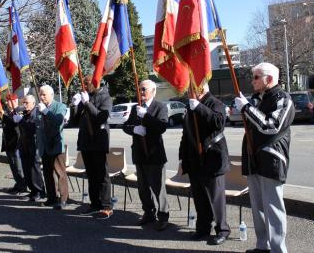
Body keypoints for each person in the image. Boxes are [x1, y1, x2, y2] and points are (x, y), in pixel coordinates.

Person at [234, 62, 295, 253]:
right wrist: (244, 108)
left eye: (256, 77)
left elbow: (271, 126)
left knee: (273, 208)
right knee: (258, 206)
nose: (252, 81)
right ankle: (263, 245)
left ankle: (278, 250)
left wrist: (247, 109)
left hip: (271, 159)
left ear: (268, 79)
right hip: (254, 159)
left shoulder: (283, 98)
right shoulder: (257, 98)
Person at [179, 83, 231, 246]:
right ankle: (202, 228)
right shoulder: (190, 106)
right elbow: (186, 134)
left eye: (190, 89)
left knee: (216, 199)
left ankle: (222, 229)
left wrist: (199, 107)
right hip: (194, 159)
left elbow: (218, 122)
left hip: (212, 158)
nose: (188, 92)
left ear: (200, 89)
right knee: (200, 198)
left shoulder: (216, 103)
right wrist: (182, 158)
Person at [123, 80, 169, 231]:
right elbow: (125, 126)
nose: (141, 92)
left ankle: (163, 216)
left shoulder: (159, 107)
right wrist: (134, 129)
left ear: (153, 91)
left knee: (158, 187)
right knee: (143, 188)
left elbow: (162, 127)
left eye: (144, 89)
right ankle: (148, 212)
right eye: (140, 89)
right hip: (139, 153)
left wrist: (147, 116)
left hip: (154, 154)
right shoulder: (137, 107)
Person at [72, 75, 113, 219]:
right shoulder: (85, 97)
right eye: (83, 82)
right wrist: (75, 105)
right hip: (85, 141)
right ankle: (94, 203)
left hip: (99, 141)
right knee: (91, 175)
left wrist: (88, 103)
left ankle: (106, 205)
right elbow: (74, 121)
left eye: (87, 82)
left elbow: (101, 117)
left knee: (102, 175)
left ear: (95, 82)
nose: (84, 85)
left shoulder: (105, 97)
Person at [36, 85, 69, 210]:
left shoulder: (59, 106)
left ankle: (64, 199)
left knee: (60, 173)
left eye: (44, 94)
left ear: (51, 94)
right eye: (40, 94)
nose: (42, 96)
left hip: (56, 145)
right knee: (47, 173)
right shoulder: (39, 107)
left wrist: (46, 111)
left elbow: (57, 121)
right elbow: (38, 126)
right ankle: (51, 198)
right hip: (44, 146)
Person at [14, 94, 46, 202]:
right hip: (24, 145)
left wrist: (21, 121)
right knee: (27, 170)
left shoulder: (36, 112)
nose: (24, 104)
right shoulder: (25, 113)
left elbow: (33, 128)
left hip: (33, 146)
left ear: (33, 103)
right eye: (23, 102)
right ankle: (32, 191)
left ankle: (39, 191)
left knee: (34, 170)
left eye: (26, 102)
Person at [1, 93, 27, 195]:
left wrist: (4, 116)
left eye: (9, 101)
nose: (7, 102)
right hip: (8, 142)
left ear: (15, 101)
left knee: (19, 166)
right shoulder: (8, 111)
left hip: (17, 143)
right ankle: (18, 183)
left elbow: (14, 123)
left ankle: (23, 186)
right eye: (6, 101)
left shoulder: (20, 111)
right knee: (13, 166)